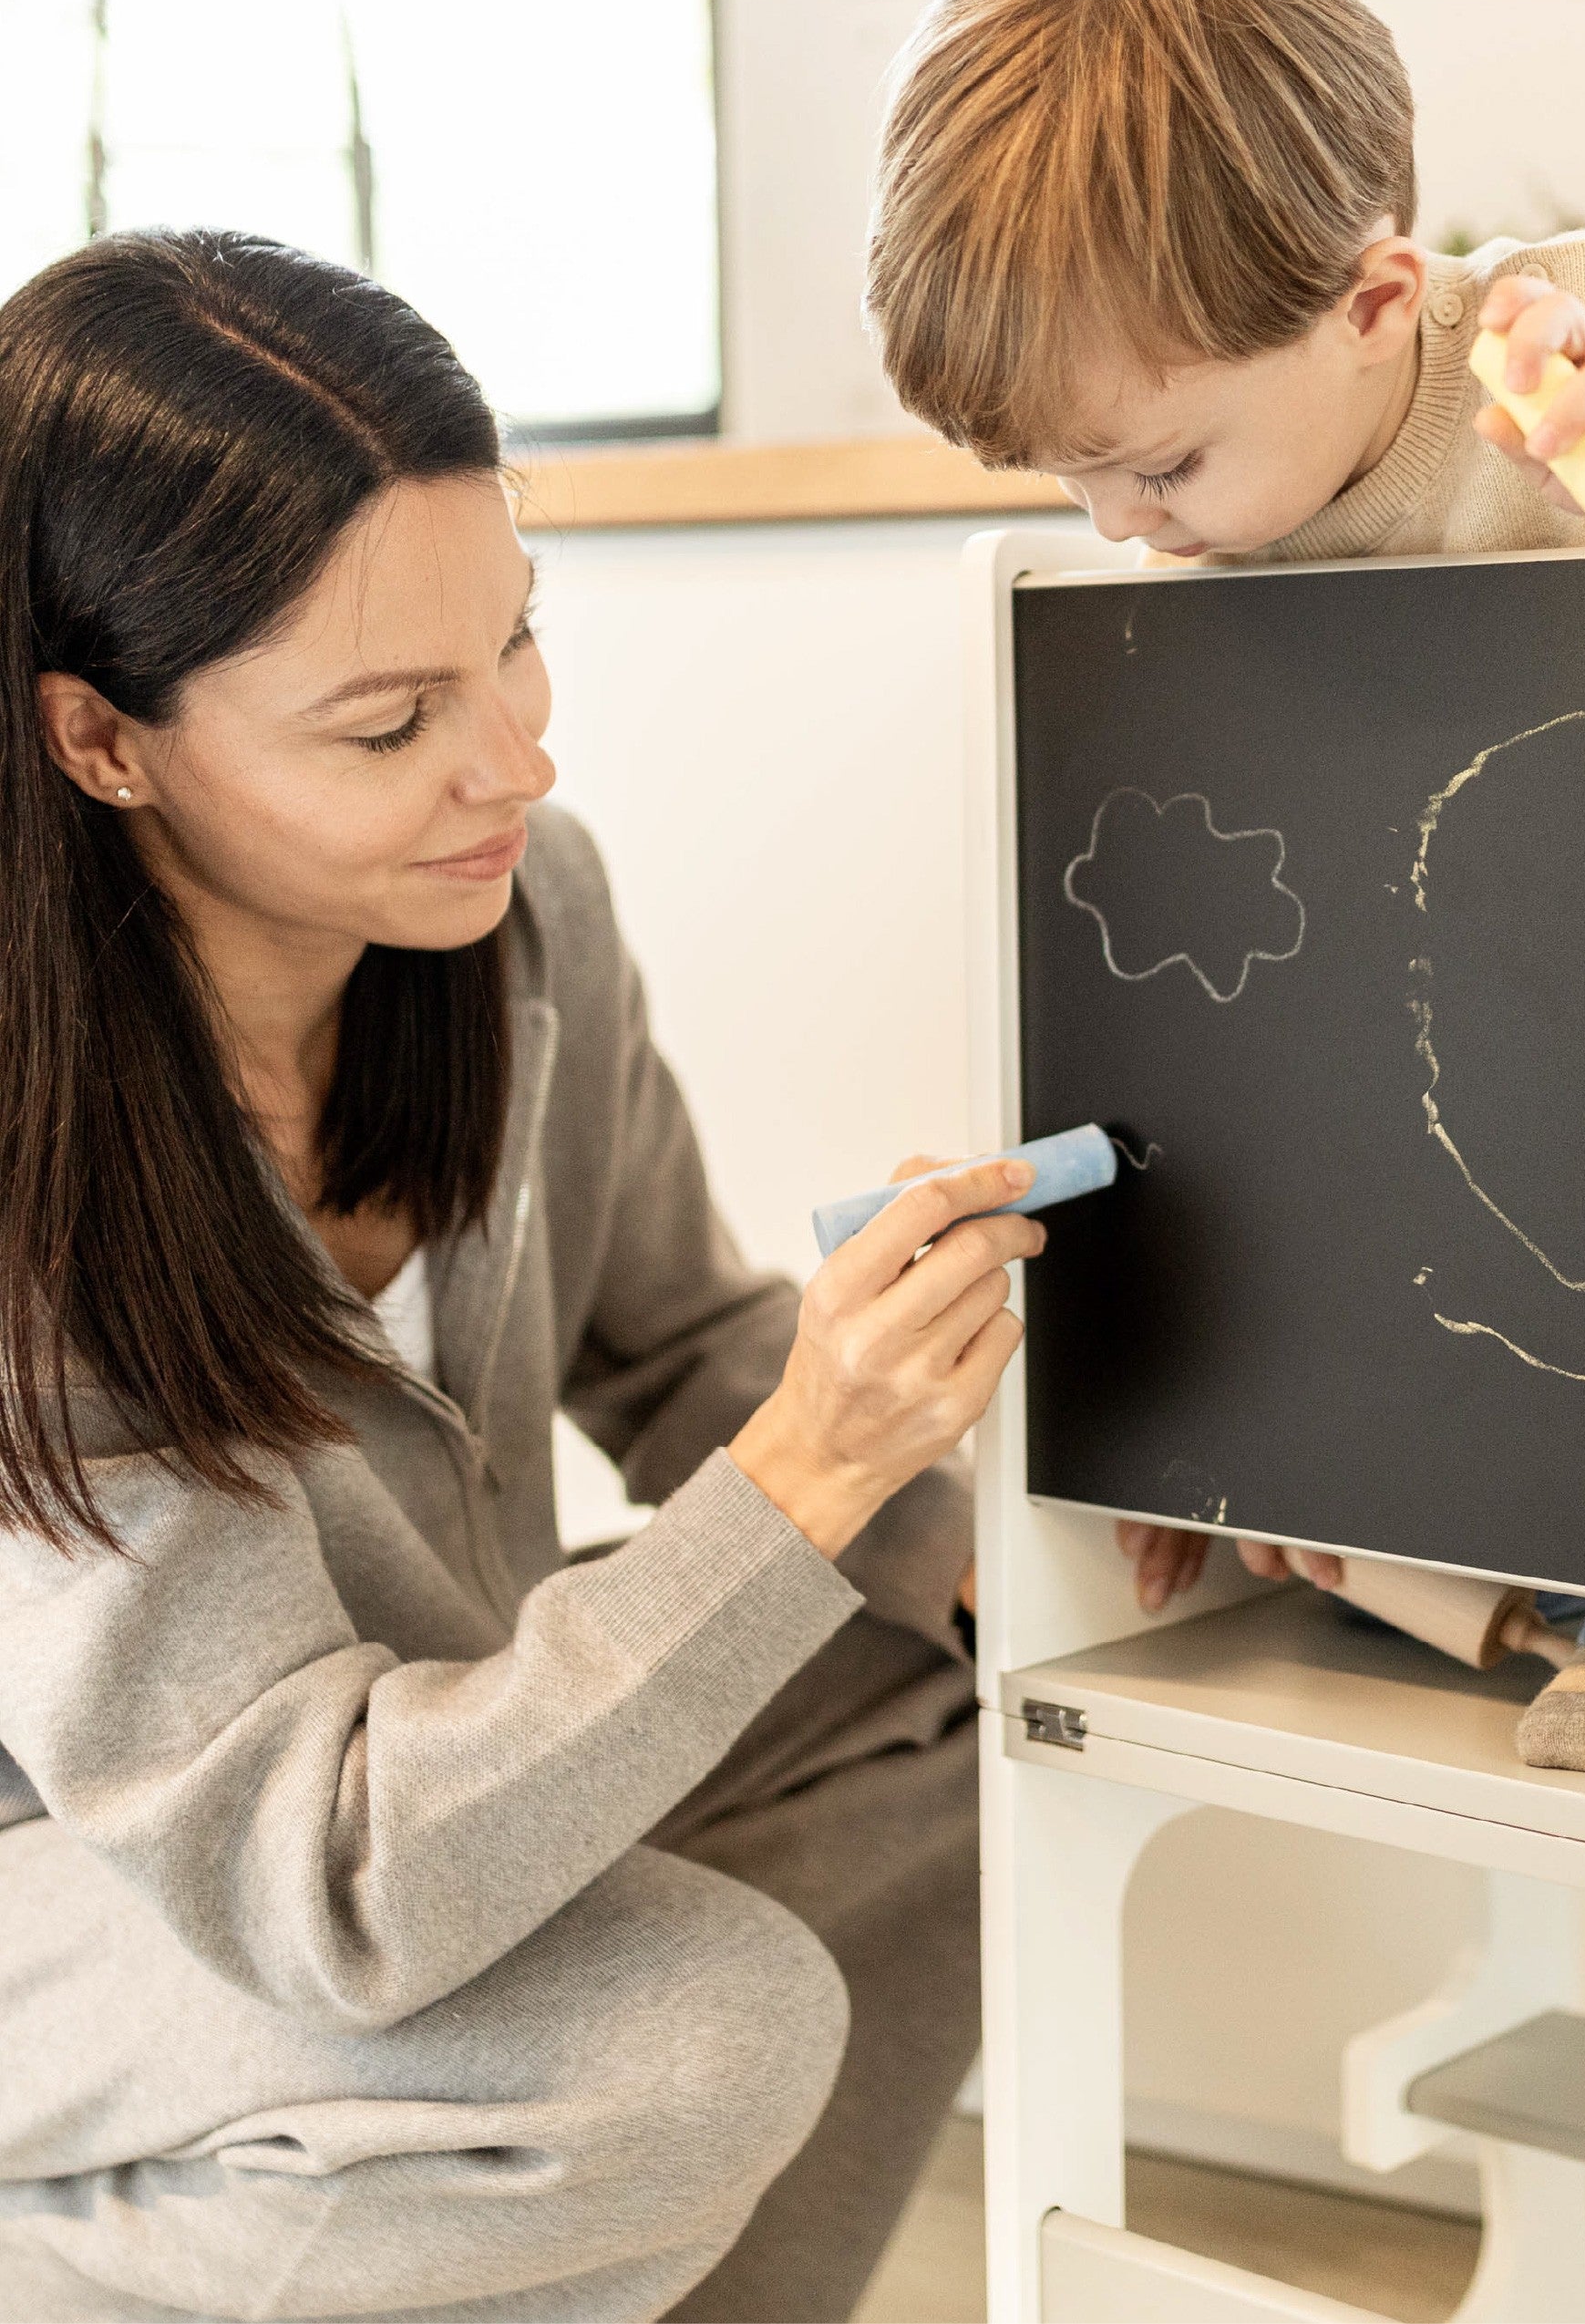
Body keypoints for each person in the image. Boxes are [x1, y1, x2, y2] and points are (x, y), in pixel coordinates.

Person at [0, 230, 1035, 2322]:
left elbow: (674, 1343)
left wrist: (959, 1526)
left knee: (965, 1712)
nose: (513, 763)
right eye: (390, 724)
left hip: (387, 1808)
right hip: (111, 1899)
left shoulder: (511, 917)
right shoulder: (39, 1162)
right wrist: (806, 1483)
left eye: (519, 647)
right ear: (103, 743)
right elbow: (324, 1885)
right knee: (681, 2030)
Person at [863, 0, 1585, 1775]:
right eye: (1070, 475)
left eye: (1158, 462)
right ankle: (1393, 1533)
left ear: (1374, 304)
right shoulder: (1204, 518)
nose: (1120, 522)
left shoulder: (1582, 336)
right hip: (1493, 990)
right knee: (1299, 1187)